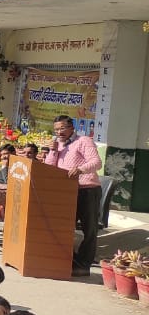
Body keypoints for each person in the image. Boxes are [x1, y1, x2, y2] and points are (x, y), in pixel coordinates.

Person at [44, 115, 104, 275]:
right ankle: (69, 261)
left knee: (89, 230)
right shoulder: (58, 144)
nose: (59, 132)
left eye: (62, 128)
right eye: (56, 129)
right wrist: (53, 151)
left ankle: (83, 265)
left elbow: (97, 162)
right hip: (67, 192)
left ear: (72, 128)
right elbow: (49, 168)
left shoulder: (83, 141)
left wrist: (80, 169)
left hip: (87, 190)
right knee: (64, 227)